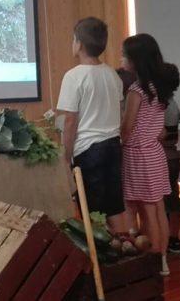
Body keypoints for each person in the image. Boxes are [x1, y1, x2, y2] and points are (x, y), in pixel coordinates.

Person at [56, 17, 130, 242]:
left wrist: (65, 157)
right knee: (114, 205)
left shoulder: (74, 76)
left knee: (93, 210)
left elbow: (70, 120)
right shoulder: (112, 74)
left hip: (89, 151)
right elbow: (118, 110)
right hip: (113, 146)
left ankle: (101, 259)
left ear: (78, 44)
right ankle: (124, 250)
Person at [120, 33, 173, 276]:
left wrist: (118, 132)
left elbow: (127, 127)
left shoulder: (136, 90)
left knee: (147, 212)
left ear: (136, 60)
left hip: (138, 155)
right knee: (158, 209)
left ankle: (153, 261)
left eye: (125, 55)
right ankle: (161, 259)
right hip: (154, 153)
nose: (122, 59)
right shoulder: (158, 87)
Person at [160, 63, 180, 254]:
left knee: (165, 199)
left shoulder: (164, 105)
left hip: (163, 157)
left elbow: (162, 134)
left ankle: (169, 236)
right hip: (172, 157)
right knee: (172, 197)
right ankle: (172, 237)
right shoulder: (172, 103)